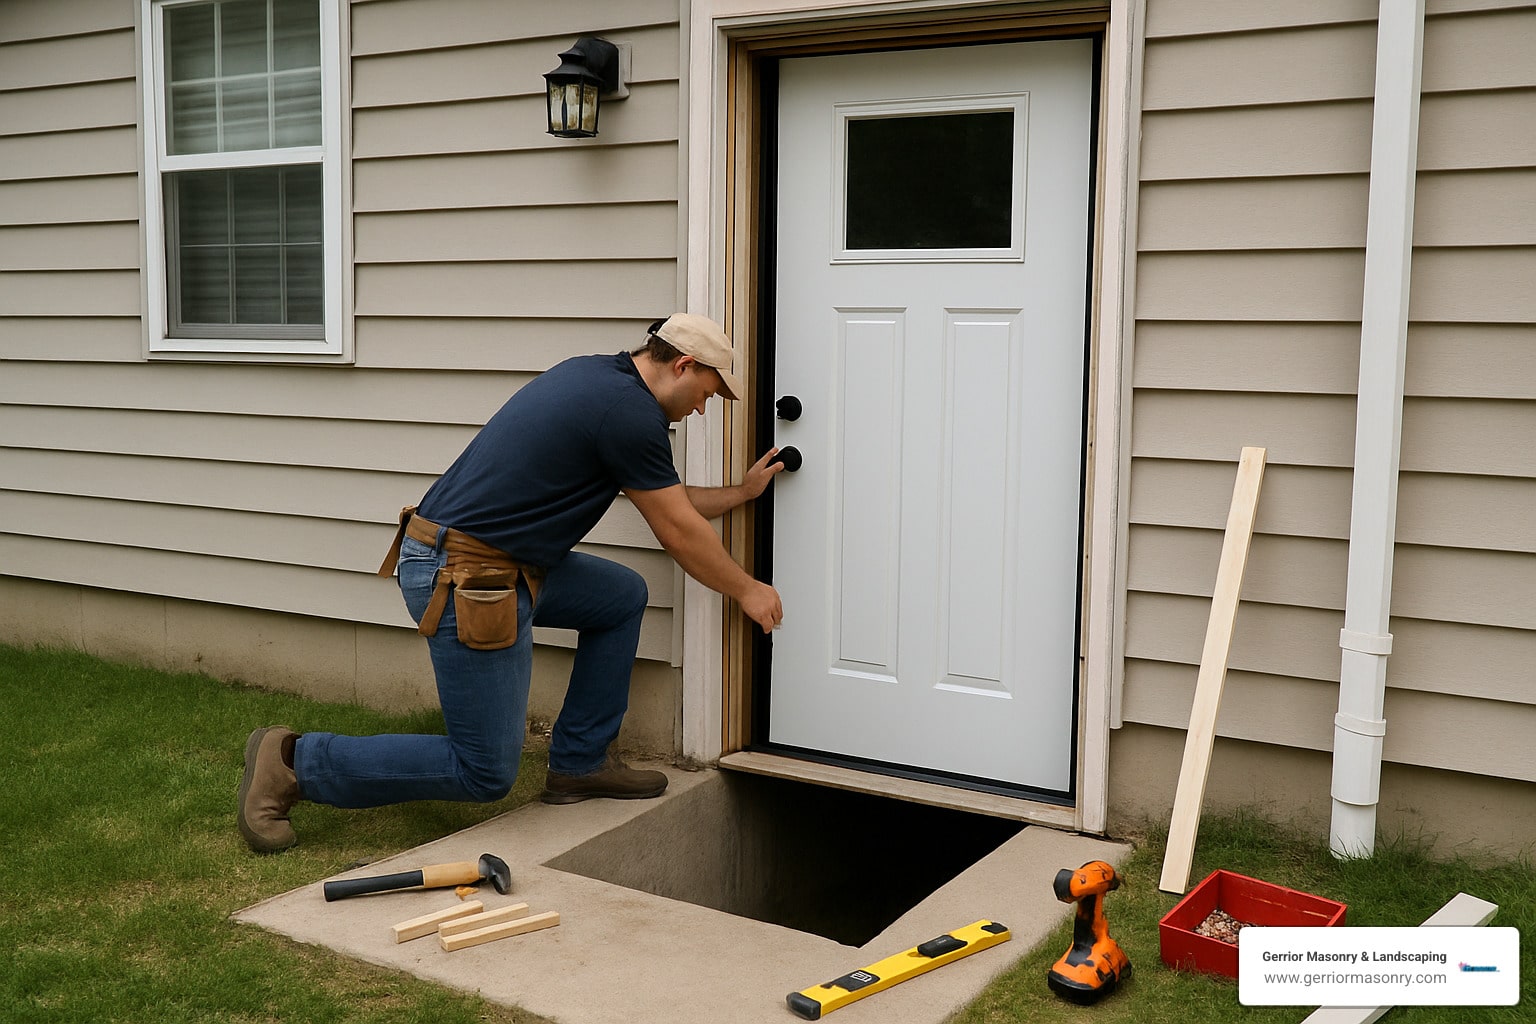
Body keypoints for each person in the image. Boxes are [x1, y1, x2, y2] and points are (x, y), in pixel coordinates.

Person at [237, 313, 784, 853]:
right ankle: (293, 763)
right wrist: (746, 589)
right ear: (684, 365)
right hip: (468, 577)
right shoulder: (628, 412)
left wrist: (742, 492)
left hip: (501, 563)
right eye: (707, 393)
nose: (702, 408)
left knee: (620, 597)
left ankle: (580, 763)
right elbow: (680, 533)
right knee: (483, 772)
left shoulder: (597, 377)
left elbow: (672, 503)